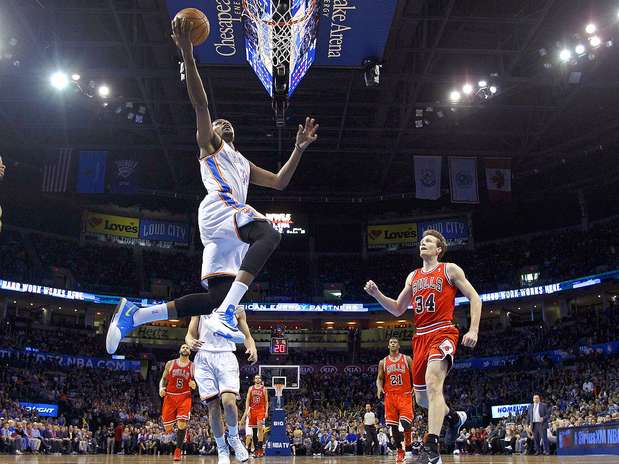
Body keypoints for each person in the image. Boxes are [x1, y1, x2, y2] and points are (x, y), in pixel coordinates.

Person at [105, 16, 319, 355]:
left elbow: (279, 182)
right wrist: (188, 55)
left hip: (224, 226)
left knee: (215, 297)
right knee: (270, 234)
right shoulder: (211, 146)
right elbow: (201, 104)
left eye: (226, 123)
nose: (223, 124)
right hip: (221, 208)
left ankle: (137, 315)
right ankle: (228, 312)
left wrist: (298, 149)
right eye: (219, 123)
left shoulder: (242, 163)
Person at [365, 229, 482, 464]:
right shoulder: (413, 276)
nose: (423, 243)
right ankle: (452, 418)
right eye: (421, 241)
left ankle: (431, 448)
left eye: (428, 241)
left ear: (439, 249)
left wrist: (474, 329)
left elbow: (475, 297)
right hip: (420, 336)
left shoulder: (449, 269)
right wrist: (377, 294)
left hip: (443, 331)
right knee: (422, 400)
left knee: (432, 383)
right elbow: (398, 308)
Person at [185, 306, 257, 464]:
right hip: (204, 358)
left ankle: (233, 437)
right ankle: (221, 449)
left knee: (229, 402)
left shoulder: (237, 307)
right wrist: (190, 342)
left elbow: (247, 336)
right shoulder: (201, 303)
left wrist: (251, 346)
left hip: (226, 355)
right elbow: (190, 334)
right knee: (213, 406)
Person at [376, 338, 414, 463]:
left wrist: (416, 387)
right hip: (390, 396)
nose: (392, 343)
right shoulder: (383, 362)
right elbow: (380, 378)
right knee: (393, 427)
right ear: (388, 346)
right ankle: (400, 451)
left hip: (405, 394)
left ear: (398, 345)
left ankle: (408, 440)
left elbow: (415, 374)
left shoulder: (407, 359)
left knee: (405, 422)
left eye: (395, 342)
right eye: (391, 342)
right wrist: (379, 388)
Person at [160, 344, 196, 461]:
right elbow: (164, 379)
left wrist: (195, 385)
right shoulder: (170, 363)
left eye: (187, 348)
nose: (185, 348)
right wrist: (161, 388)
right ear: (180, 350)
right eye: (183, 347)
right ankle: (178, 433)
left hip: (184, 396)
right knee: (168, 429)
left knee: (182, 424)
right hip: (170, 397)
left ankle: (178, 450)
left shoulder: (193, 366)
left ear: (190, 352)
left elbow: (197, 383)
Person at [240, 374, 269, 457]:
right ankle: (256, 450)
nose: (257, 379)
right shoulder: (250, 388)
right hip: (252, 410)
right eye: (256, 378)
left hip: (261, 410)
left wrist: (266, 411)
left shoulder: (264, 389)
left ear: (260, 380)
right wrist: (247, 410)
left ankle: (260, 449)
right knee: (254, 431)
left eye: (259, 378)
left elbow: (266, 401)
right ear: (254, 380)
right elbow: (247, 400)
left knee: (260, 429)